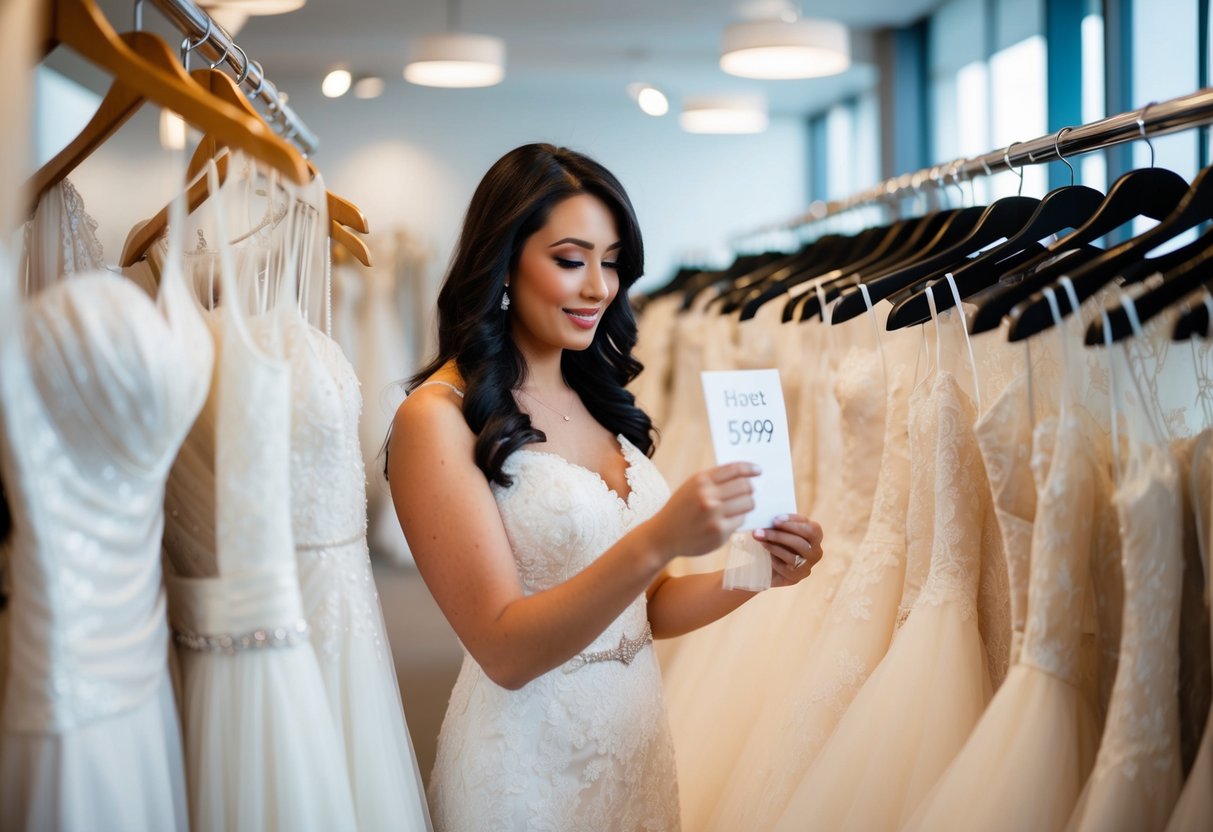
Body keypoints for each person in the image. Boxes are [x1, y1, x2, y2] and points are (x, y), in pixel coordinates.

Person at [386, 143, 823, 831]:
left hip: (635, 743)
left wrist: (755, 573)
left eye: (611, 260)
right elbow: (503, 649)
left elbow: (641, 612)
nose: (599, 286)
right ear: (503, 263)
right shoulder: (436, 421)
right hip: (525, 765)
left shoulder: (598, 398)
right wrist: (658, 538)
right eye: (570, 259)